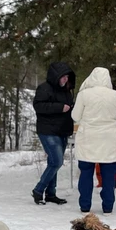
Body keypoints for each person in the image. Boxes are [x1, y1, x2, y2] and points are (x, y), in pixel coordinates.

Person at [72, 67, 116, 214]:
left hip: (87, 139)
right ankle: (108, 206)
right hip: (108, 139)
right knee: (108, 176)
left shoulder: (84, 94)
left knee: (86, 173)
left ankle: (85, 205)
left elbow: (75, 116)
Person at [32, 62, 76, 205]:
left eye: (67, 77)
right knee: (57, 161)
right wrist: (59, 108)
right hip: (48, 131)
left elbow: (68, 108)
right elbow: (38, 106)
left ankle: (51, 193)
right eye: (63, 77)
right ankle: (39, 190)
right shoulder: (44, 88)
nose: (65, 80)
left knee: (53, 162)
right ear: (56, 76)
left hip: (62, 130)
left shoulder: (67, 91)